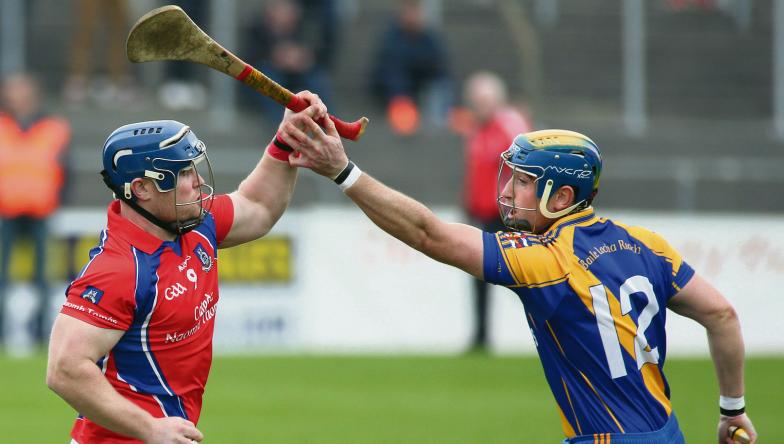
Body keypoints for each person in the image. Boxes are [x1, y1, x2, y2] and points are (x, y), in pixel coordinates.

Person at [281, 120, 758, 443]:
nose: (507, 193)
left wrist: (343, 172)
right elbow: (722, 314)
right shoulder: (647, 244)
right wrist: (732, 409)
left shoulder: (547, 259)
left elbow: (428, 233)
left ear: (563, 195)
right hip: (667, 432)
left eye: (524, 182)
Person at [45, 92, 326, 443]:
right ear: (143, 188)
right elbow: (64, 369)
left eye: (194, 168)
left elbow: (258, 206)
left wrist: (288, 139)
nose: (196, 182)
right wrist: (150, 428)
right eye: (181, 173)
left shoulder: (194, 225)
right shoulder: (119, 268)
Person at [0, 72, 71, 351]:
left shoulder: (54, 127)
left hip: (42, 209)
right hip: (5, 209)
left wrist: (58, 199)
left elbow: (65, 168)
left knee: (45, 279)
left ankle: (43, 333)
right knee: (0, 278)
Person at [459, 71, 532, 350]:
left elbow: (527, 168)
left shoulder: (510, 127)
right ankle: (481, 336)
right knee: (480, 277)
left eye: (484, 100)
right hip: (483, 215)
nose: (479, 106)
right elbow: (475, 174)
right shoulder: (477, 130)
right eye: (476, 101)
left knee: (527, 276)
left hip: (509, 215)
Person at [239, 0, 337, 128]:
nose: (287, 16)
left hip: (300, 73)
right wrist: (275, 57)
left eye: (290, 12)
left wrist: (304, 58)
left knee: (317, 78)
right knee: (268, 79)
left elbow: (321, 51)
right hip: (270, 72)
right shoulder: (256, 28)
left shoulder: (306, 27)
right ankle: (281, 126)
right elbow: (249, 57)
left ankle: (327, 123)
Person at [369, 0, 452, 135]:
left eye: (417, 11)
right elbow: (388, 72)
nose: (413, 16)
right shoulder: (390, 39)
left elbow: (439, 68)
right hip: (399, 92)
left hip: (423, 88)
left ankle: (438, 119)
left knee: (440, 85)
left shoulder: (429, 38)